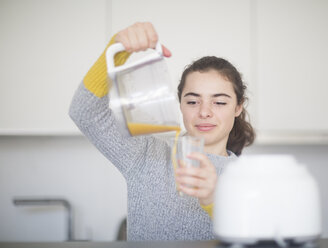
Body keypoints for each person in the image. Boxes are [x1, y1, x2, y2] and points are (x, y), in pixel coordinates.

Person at [69, 22, 255, 241]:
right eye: (193, 101)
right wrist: (118, 51)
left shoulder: (249, 178)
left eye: (219, 102)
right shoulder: (146, 155)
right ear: (180, 104)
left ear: (238, 106)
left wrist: (214, 200)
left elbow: (254, 239)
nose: (204, 112)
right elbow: (84, 111)